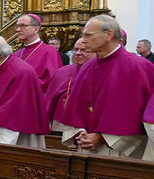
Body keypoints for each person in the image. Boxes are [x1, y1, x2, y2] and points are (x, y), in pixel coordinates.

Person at [58, 15, 154, 159]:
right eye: (83, 35)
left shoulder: (139, 67)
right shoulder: (87, 66)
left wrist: (101, 137)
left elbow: (138, 116)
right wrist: (80, 133)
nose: (83, 40)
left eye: (88, 35)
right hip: (86, 149)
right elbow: (76, 109)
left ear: (109, 35)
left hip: (120, 152)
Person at [45, 38, 95, 131]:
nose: (78, 53)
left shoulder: (101, 72)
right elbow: (50, 101)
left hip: (87, 126)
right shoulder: (61, 72)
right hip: (59, 123)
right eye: (76, 49)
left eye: (84, 50)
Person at [13, 13, 62, 91]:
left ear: (36, 29)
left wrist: (21, 83)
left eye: (23, 26)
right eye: (17, 26)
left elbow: (52, 82)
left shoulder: (50, 52)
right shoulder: (17, 54)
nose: (18, 30)